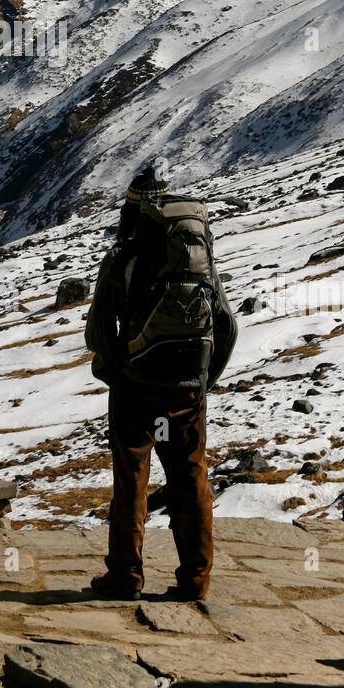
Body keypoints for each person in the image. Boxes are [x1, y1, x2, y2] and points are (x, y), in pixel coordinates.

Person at [84, 165, 237, 604]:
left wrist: (117, 368)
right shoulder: (196, 260)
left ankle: (126, 576)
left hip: (136, 386)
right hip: (187, 391)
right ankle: (195, 580)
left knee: (131, 478)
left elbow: (98, 332)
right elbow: (226, 326)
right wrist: (203, 381)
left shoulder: (123, 257)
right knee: (191, 477)